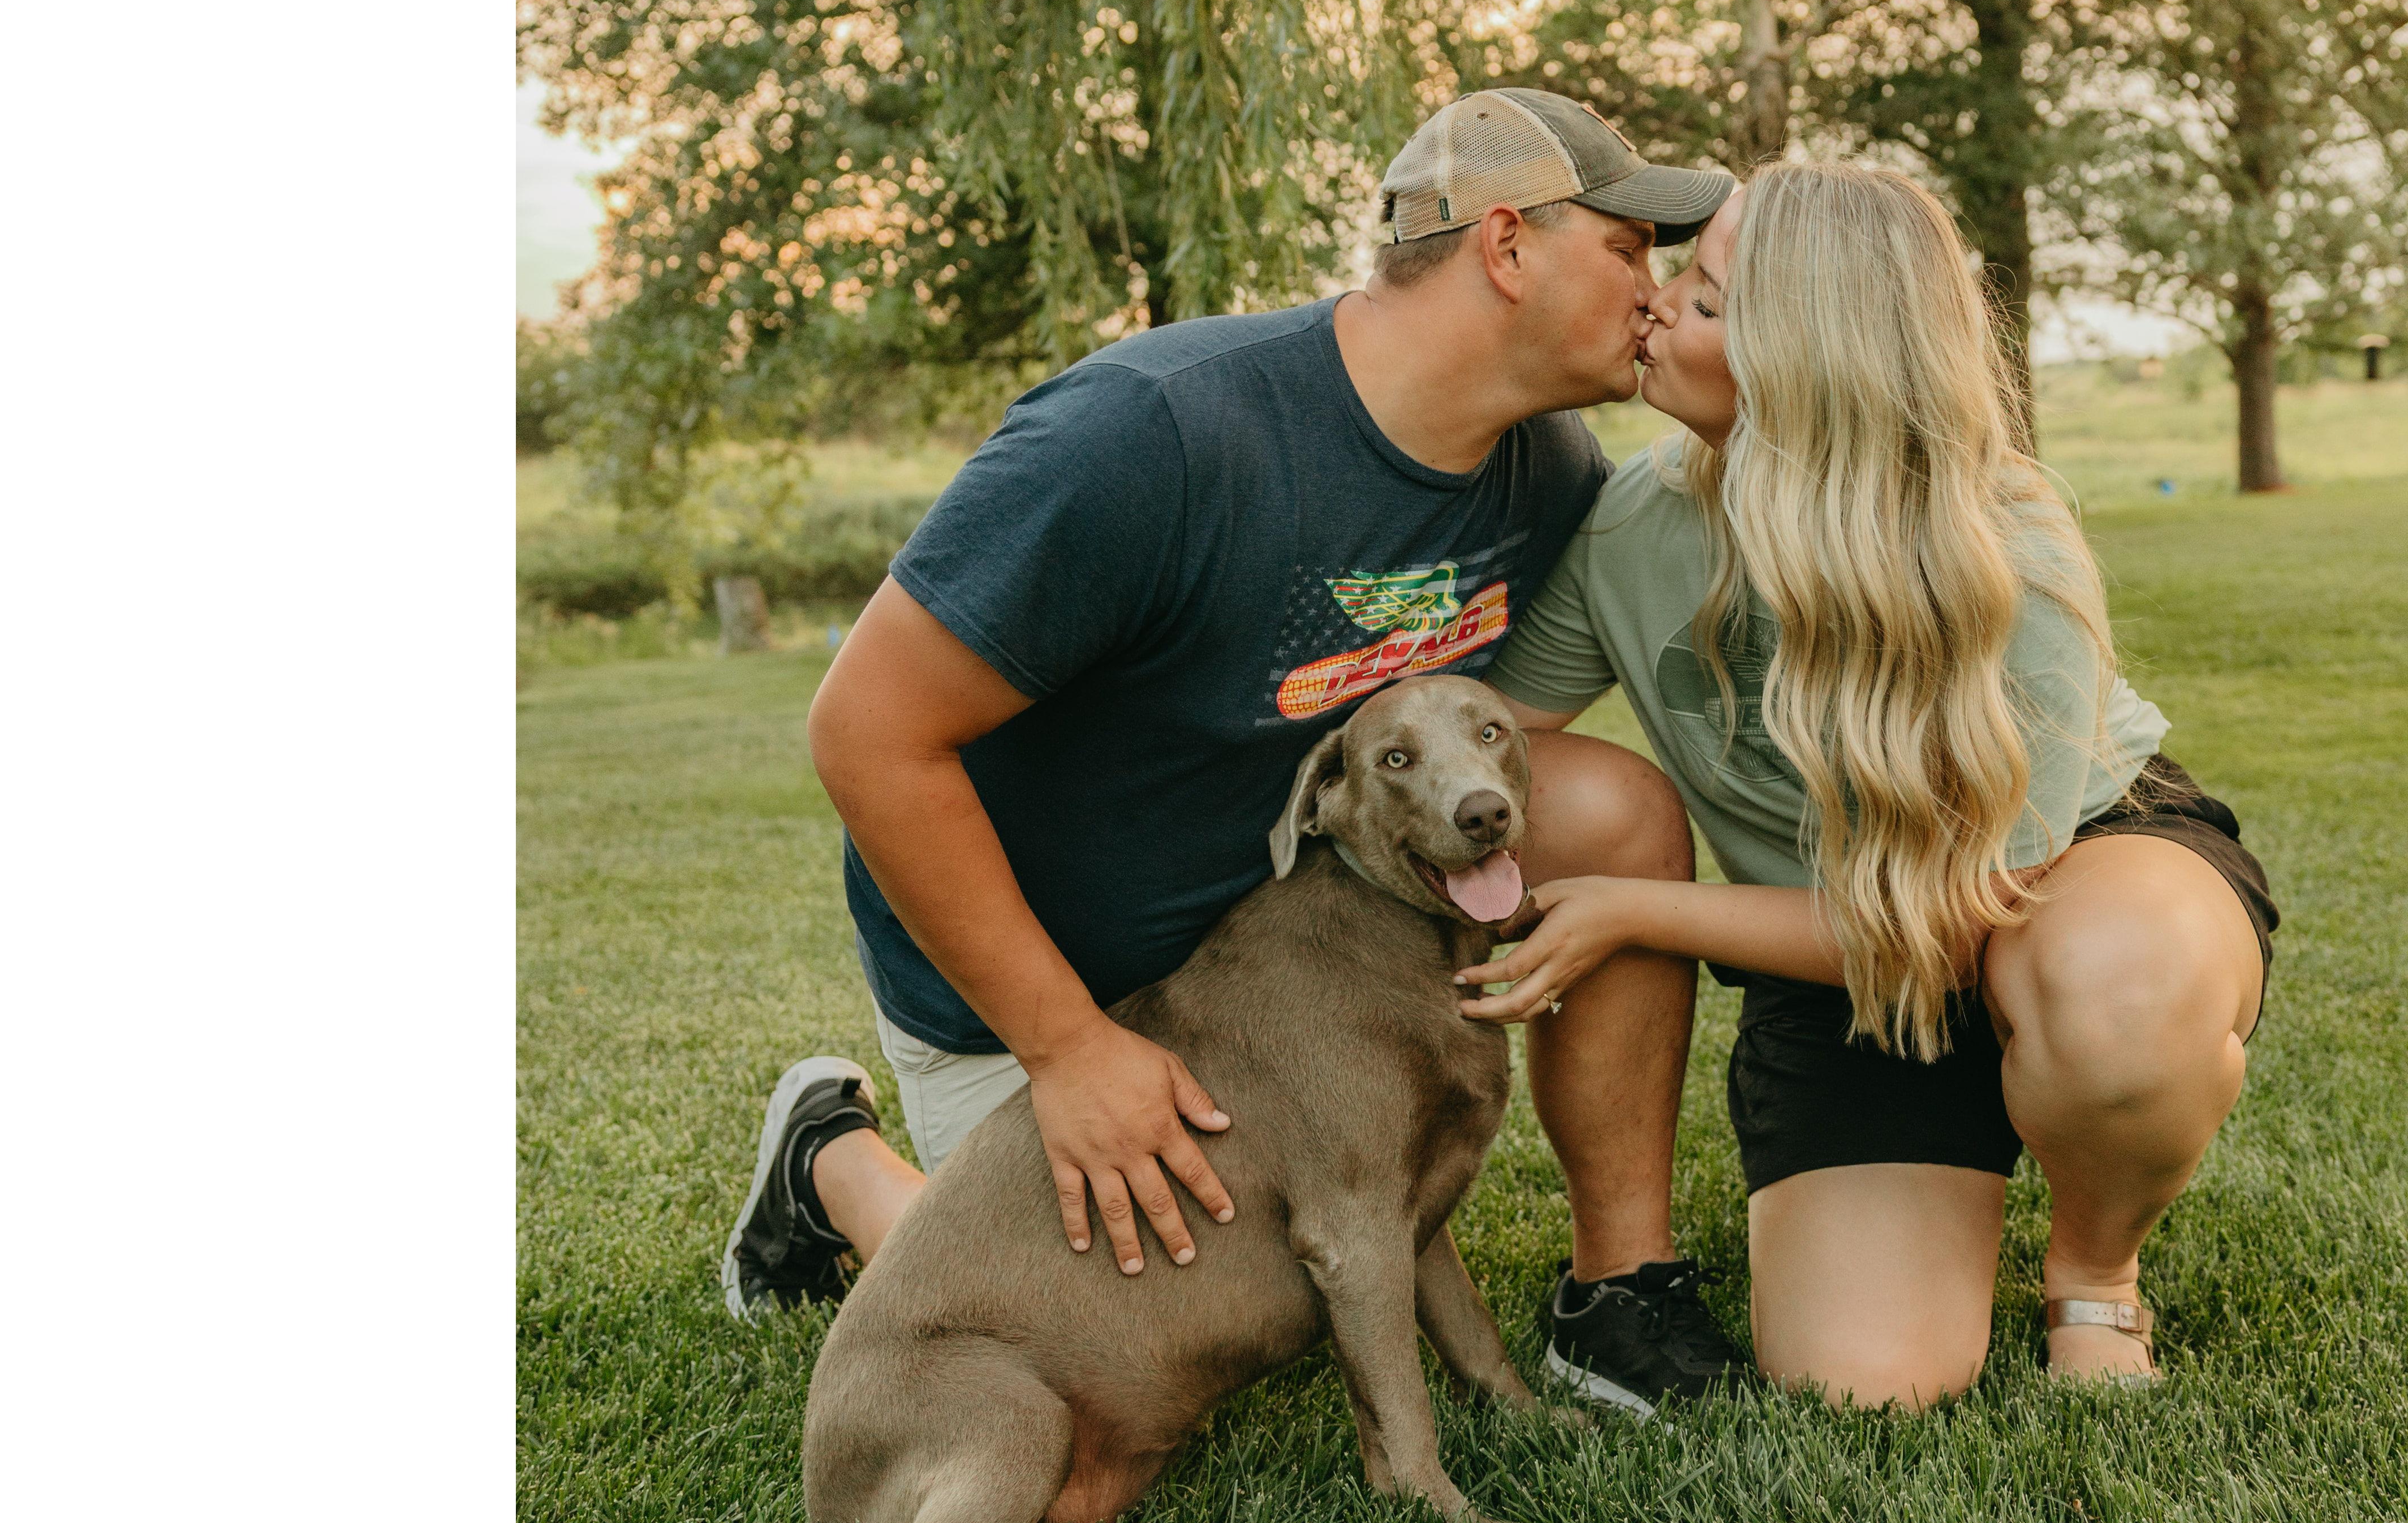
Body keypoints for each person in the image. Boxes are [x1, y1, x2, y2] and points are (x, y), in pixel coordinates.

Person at [718, 88, 1755, 1415]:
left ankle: (1618, 1293)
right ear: (1508, 246)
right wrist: (1069, 1052)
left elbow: (1490, 737)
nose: (1657, 293)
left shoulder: (1548, 470)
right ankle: (833, 1164)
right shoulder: (1151, 432)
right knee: (1126, 1352)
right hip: (1051, 988)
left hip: (1284, 963)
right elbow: (866, 734)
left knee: (1611, 810)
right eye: (1627, 250)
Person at [1469, 161, 2279, 1409]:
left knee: (2114, 991)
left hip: (2065, 877)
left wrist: (1638, 911)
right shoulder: (1629, 528)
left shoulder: (2002, 543)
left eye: (1705, 299)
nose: (1655, 305)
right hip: (1842, 953)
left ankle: (2094, 1271)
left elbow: (1959, 918)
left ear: (1806, 362)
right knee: (1863, 1379)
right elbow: (1494, 741)